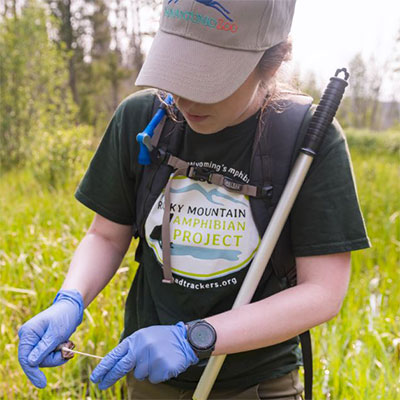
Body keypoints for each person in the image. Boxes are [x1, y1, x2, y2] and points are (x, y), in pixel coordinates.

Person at [18, 0, 371, 399]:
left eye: (206, 79)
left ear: (270, 63)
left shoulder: (307, 138)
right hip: (152, 380)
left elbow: (322, 292)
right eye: (177, 71)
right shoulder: (142, 120)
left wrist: (197, 337)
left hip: (257, 383)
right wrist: (70, 298)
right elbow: (105, 236)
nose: (184, 100)